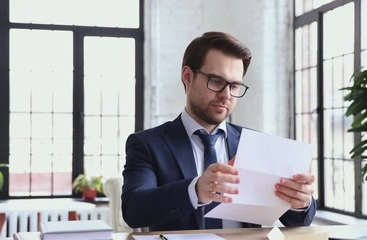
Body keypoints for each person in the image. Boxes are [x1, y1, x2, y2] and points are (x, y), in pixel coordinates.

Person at [121, 31, 316, 231]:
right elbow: (133, 211)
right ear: (187, 76)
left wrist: (301, 202)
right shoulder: (148, 144)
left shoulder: (255, 144)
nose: (226, 95)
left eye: (234, 85)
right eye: (216, 81)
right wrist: (195, 190)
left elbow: (299, 221)